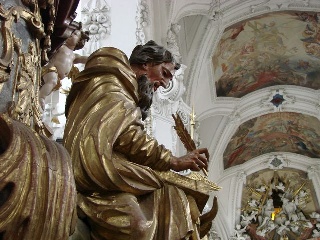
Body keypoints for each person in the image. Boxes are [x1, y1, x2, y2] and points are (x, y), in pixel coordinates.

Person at [63, 40, 214, 240]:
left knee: (173, 196)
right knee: (141, 225)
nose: (163, 84)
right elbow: (127, 137)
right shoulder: (113, 82)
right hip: (95, 169)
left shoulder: (123, 91)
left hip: (105, 167)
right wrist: (174, 161)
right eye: (165, 73)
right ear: (147, 63)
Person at [39, 29, 89, 110]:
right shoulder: (61, 47)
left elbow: (83, 59)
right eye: (72, 32)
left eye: (75, 34)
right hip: (51, 70)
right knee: (52, 81)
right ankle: (41, 97)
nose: (71, 34)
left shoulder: (74, 56)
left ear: (78, 42)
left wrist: (95, 57)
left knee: (52, 85)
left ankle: (41, 96)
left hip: (57, 79)